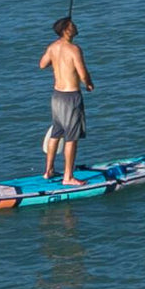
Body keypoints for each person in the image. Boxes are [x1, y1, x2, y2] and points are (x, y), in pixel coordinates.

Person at [40, 16, 94, 185]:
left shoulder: (52, 47)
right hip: (71, 97)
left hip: (57, 96)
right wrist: (89, 84)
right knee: (71, 137)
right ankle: (68, 177)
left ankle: (48, 171)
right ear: (66, 30)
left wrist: (56, 60)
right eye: (73, 25)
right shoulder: (74, 49)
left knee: (57, 133)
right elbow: (82, 72)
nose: (76, 26)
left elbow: (42, 64)